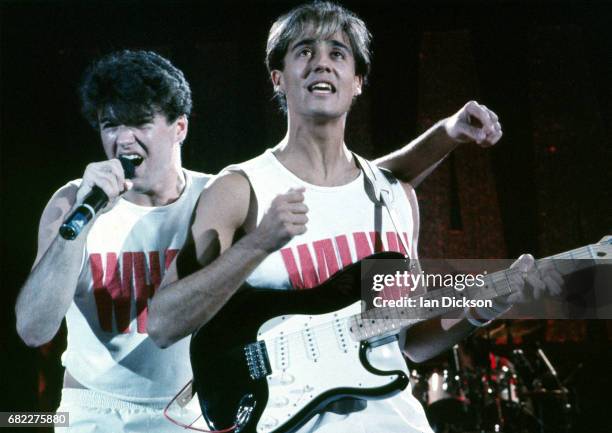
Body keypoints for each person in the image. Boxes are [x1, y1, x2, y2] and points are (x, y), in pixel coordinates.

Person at [14, 46, 498, 432]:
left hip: (197, 405)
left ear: (179, 127)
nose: (123, 140)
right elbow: (34, 328)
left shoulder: (221, 194)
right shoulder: (73, 204)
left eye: (139, 123)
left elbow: (375, 176)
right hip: (88, 410)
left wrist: (447, 134)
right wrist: (76, 226)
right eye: (109, 125)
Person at [148, 2, 562, 432]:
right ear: (278, 77)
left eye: (338, 53)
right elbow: (163, 324)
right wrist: (257, 243)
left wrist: (477, 310)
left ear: (358, 81)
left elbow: (411, 343)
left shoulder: (395, 196)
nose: (321, 64)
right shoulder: (240, 189)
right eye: (304, 51)